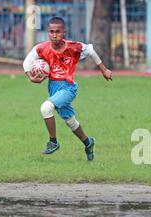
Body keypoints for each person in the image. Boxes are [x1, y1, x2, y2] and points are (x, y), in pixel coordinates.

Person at [23, 17, 112, 161]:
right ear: (48, 32)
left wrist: (104, 69)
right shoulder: (42, 48)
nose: (54, 35)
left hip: (68, 87)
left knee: (46, 108)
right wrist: (30, 77)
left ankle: (53, 142)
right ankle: (88, 142)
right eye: (51, 32)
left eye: (58, 32)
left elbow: (90, 50)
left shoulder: (73, 47)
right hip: (53, 88)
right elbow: (27, 62)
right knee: (70, 121)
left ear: (64, 32)